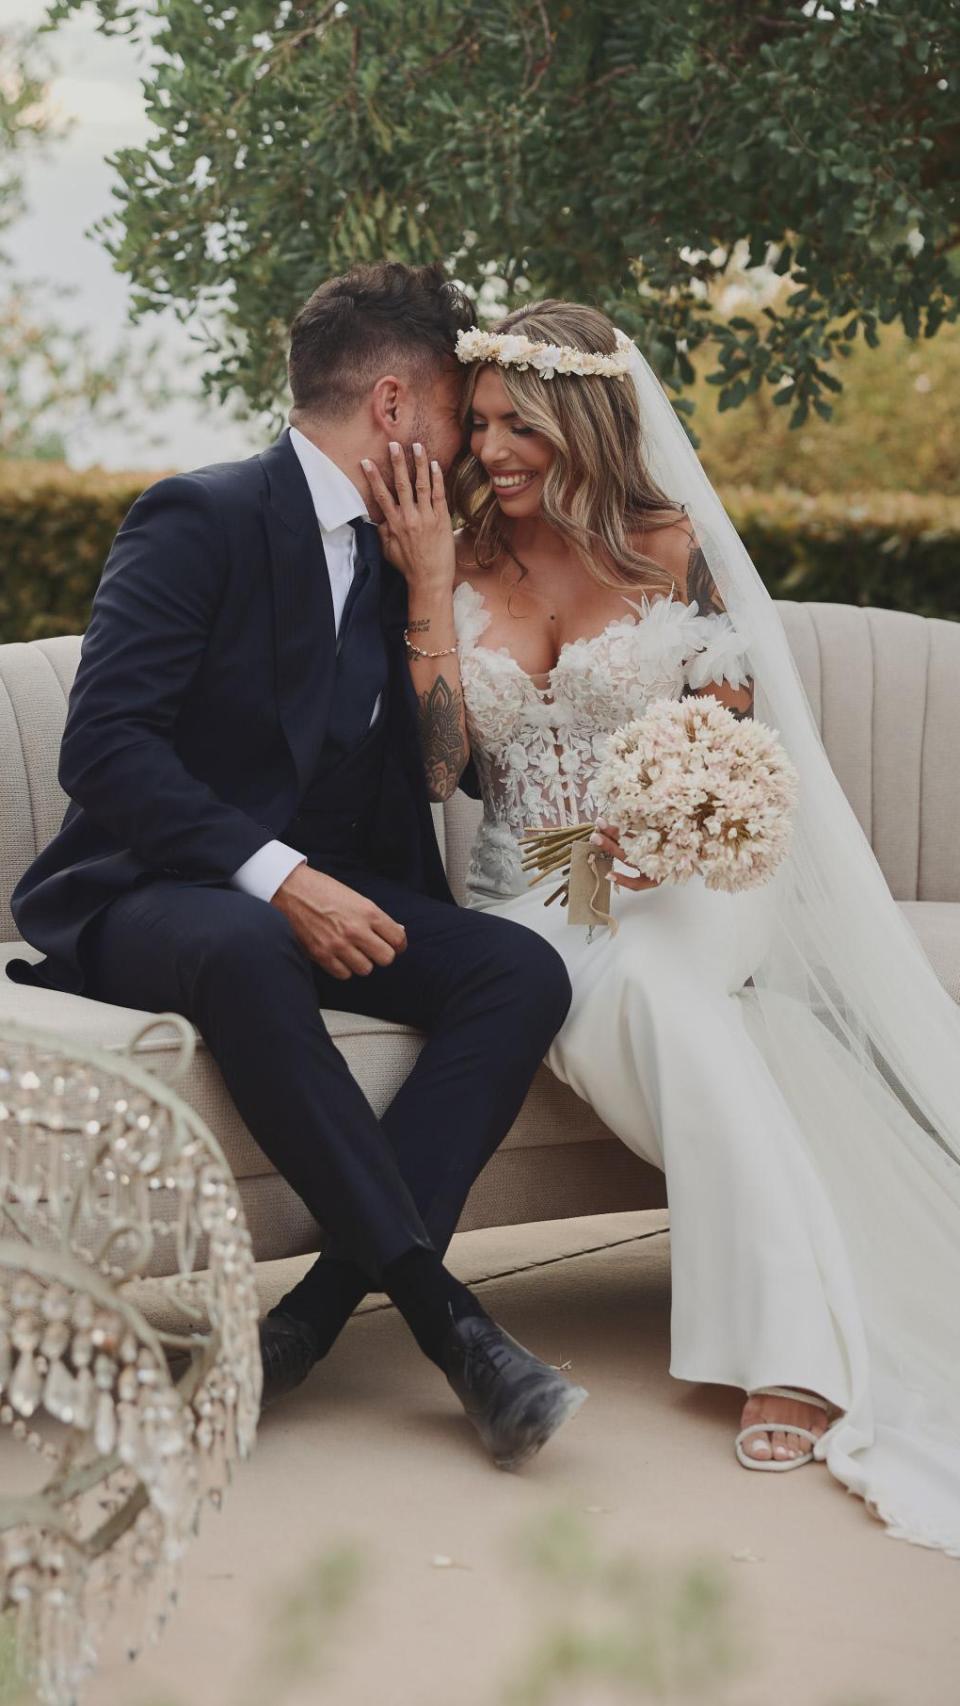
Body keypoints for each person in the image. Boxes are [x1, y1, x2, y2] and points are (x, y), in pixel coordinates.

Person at [366, 297, 960, 1552]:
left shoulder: (668, 542)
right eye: (478, 424)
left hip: (683, 873)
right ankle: (808, 1306)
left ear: (581, 419)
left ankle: (792, 1354)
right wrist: (425, 586)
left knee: (665, 986)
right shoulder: (456, 559)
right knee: (595, 982)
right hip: (533, 879)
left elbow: (730, 741)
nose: (492, 449)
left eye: (516, 422)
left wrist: (675, 811)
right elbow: (434, 770)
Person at [3, 264, 588, 1471]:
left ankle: (308, 1319)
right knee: (248, 935)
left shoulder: (406, 554)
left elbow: (450, 776)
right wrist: (276, 872)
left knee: (522, 971)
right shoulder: (199, 516)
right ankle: (454, 1327)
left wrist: (430, 584)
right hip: (150, 896)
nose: (467, 450)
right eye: (453, 417)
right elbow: (103, 744)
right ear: (391, 405)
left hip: (333, 891)